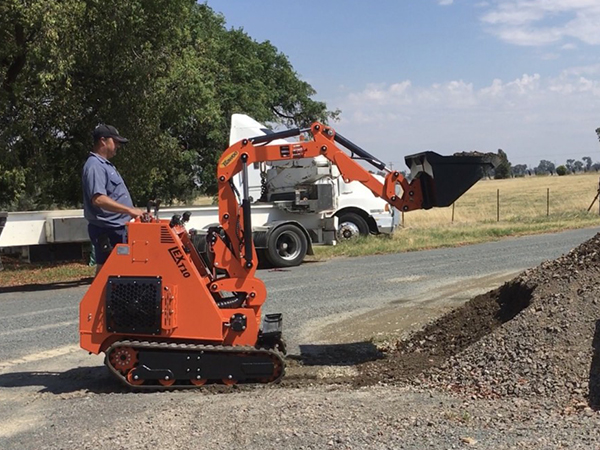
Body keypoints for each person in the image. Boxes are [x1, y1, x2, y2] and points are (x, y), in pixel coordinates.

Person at [82, 124, 144, 274]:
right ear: (103, 141)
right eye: (115, 142)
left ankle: (107, 298)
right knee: (107, 272)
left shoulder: (105, 166)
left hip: (116, 228)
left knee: (116, 272)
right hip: (107, 230)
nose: (117, 146)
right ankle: (100, 298)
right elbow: (98, 199)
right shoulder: (95, 166)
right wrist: (129, 210)